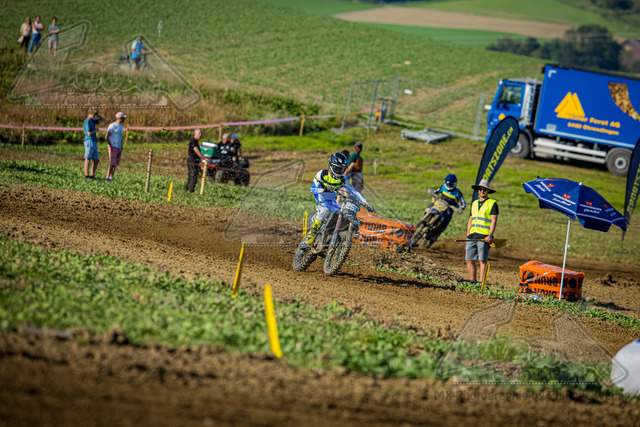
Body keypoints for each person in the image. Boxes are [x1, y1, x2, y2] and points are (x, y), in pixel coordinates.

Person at [300, 152, 374, 249]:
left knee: (346, 213)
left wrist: (366, 203)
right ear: (331, 166)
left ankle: (338, 238)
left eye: (342, 169)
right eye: (337, 169)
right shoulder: (321, 174)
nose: (339, 172)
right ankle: (309, 239)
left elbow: (354, 192)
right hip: (322, 202)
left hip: (333, 203)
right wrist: (323, 189)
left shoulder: (343, 179)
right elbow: (312, 189)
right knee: (324, 210)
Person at [465, 179, 499, 284]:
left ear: (488, 191)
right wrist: (468, 233)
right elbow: (470, 219)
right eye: (480, 189)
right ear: (478, 190)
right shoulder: (474, 203)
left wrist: (490, 235)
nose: (482, 191)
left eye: (484, 189)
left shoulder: (492, 203)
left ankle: (481, 283)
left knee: (482, 260)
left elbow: (493, 221)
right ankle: (473, 281)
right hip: (472, 236)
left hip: (484, 237)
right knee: (469, 259)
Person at [83, 109, 105, 179]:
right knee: (88, 159)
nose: (95, 116)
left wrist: (97, 114)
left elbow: (103, 119)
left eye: (95, 115)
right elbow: (89, 133)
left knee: (96, 159)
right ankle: (87, 175)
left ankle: (92, 175)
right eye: (94, 114)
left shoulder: (93, 120)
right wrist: (96, 130)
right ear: (89, 114)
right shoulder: (87, 121)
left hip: (94, 141)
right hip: (89, 141)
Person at [105, 112, 127, 182]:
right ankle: (107, 177)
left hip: (119, 147)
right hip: (113, 147)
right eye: (123, 118)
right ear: (120, 118)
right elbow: (107, 136)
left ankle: (111, 178)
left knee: (115, 164)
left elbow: (120, 137)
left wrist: (121, 146)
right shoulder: (112, 126)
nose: (124, 119)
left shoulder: (120, 126)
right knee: (111, 163)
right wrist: (110, 145)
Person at [185, 128, 206, 192]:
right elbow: (196, 150)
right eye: (199, 133)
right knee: (192, 175)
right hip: (192, 160)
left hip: (195, 160)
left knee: (193, 175)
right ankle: (190, 190)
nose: (200, 135)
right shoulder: (193, 141)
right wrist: (203, 158)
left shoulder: (196, 141)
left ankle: (188, 189)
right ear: (195, 133)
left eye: (201, 133)